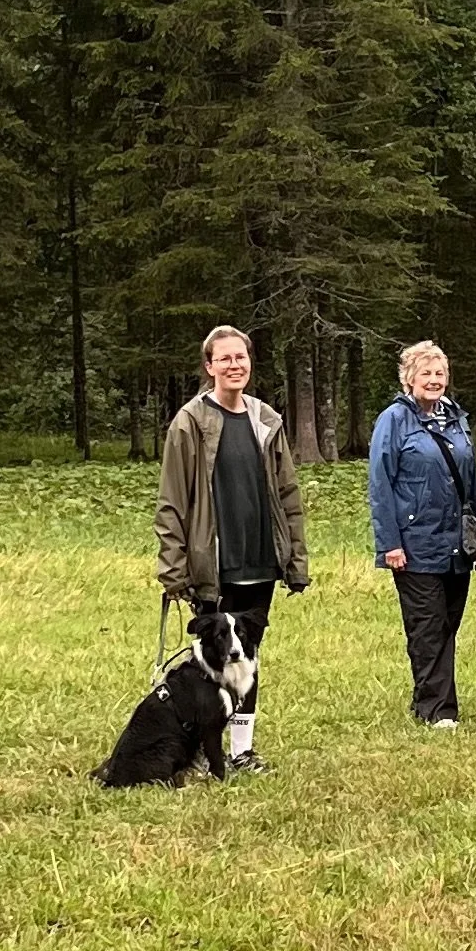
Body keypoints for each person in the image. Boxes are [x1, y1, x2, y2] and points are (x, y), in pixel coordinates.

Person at [156, 326, 310, 771]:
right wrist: (174, 570)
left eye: (240, 357)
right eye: (223, 359)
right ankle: (205, 751)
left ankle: (242, 751)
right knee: (209, 663)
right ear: (209, 367)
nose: (234, 365)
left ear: (249, 362)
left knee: (249, 658)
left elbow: (288, 496)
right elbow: (171, 502)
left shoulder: (266, 420)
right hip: (213, 567)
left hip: (260, 562)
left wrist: (295, 560)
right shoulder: (189, 423)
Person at [367, 338, 476, 728]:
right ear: (408, 378)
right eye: (426, 374)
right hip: (415, 544)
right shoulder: (393, 420)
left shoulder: (456, 418)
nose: (434, 381)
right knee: (427, 626)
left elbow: (471, 483)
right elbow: (380, 485)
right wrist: (390, 544)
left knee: (448, 623)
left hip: (456, 544)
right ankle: (438, 711)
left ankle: (426, 699)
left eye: (440, 374)